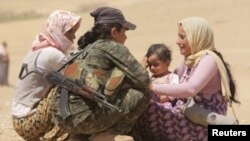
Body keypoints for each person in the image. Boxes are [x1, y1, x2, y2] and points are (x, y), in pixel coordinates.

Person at [49, 7, 150, 141]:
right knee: (143, 93)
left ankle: (78, 137)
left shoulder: (86, 49)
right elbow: (143, 80)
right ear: (114, 32)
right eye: (124, 31)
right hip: (85, 119)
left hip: (63, 119)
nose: (126, 36)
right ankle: (109, 134)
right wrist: (141, 67)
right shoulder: (112, 47)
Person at [135, 17, 239, 141]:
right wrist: (144, 70)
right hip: (187, 114)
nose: (177, 41)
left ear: (196, 37)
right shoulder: (190, 58)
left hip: (201, 125)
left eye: (182, 37)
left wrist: (151, 86)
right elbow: (173, 80)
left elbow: (190, 89)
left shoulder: (209, 60)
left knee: (149, 109)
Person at [12, 10, 81, 141]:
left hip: (19, 120)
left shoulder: (38, 48)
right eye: (70, 32)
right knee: (70, 89)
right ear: (58, 31)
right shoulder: (51, 54)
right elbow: (78, 75)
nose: (74, 37)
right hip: (28, 121)